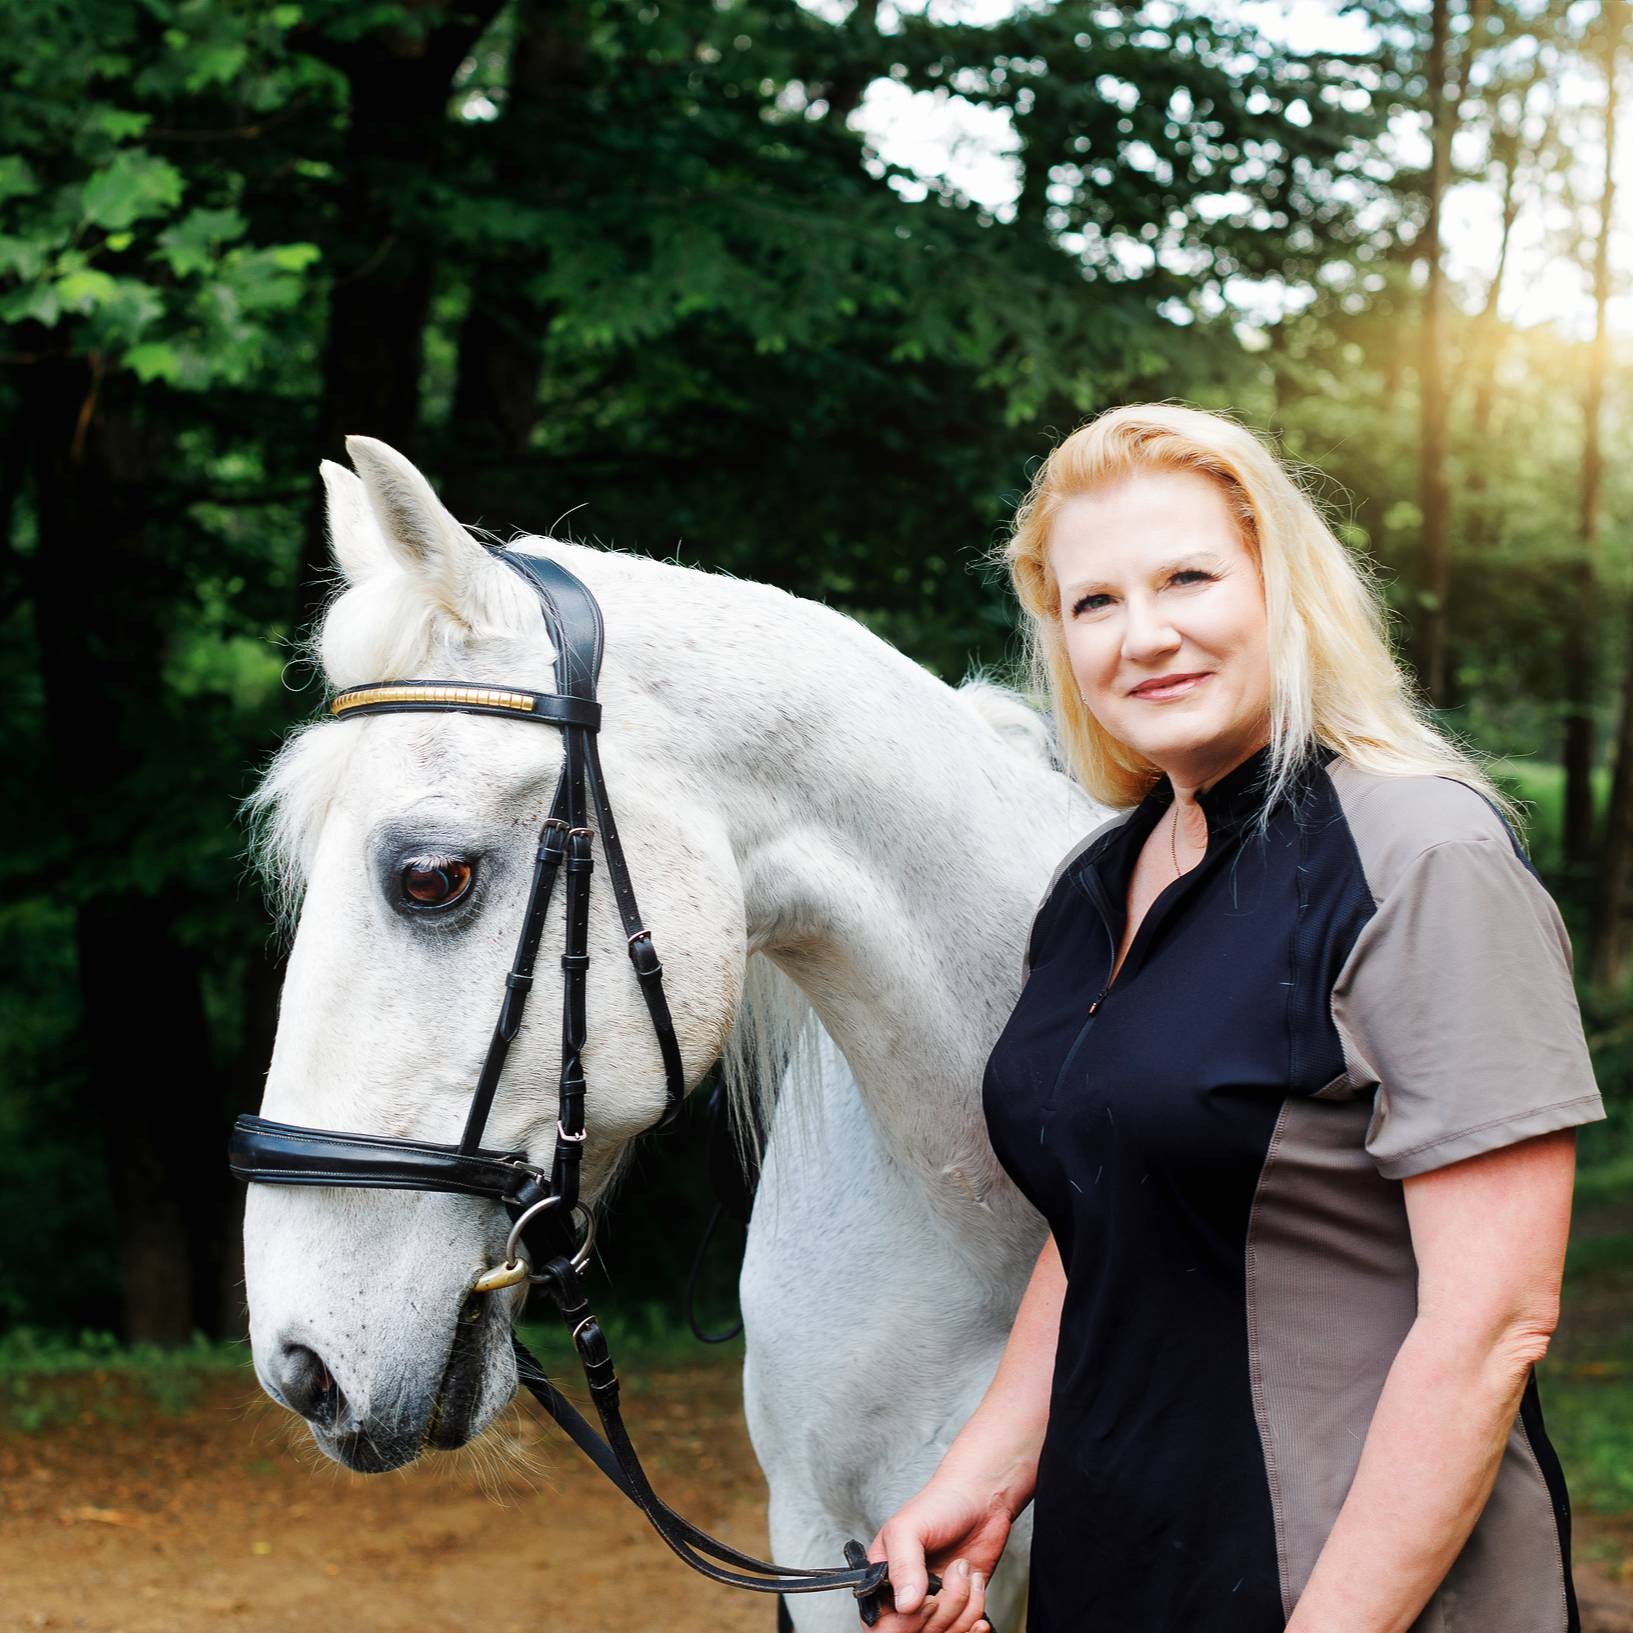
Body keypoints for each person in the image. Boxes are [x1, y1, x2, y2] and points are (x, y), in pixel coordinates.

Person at [864, 403, 1606, 1633]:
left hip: (1354, 1591)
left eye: (1187, 578)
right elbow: (1107, 1212)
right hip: (1118, 1566)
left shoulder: (1423, 855)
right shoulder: (1094, 886)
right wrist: (981, 1478)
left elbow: (1491, 1324)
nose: (1143, 635)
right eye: (1093, 603)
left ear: (1283, 588)